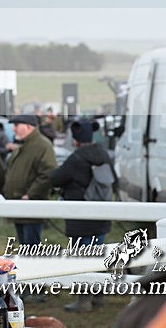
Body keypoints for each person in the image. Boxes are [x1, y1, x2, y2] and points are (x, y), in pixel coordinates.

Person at [50, 119, 112, 312]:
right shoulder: (104, 154)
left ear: (76, 138)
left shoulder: (77, 158)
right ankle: (98, 297)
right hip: (101, 213)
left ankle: (83, 301)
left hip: (80, 216)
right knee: (98, 255)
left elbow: (57, 178)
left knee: (82, 258)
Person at [2, 114, 56, 247]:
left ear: (28, 127)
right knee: (24, 246)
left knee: (31, 248)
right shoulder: (25, 145)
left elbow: (48, 173)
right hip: (19, 204)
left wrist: (30, 195)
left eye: (16, 126)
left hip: (31, 206)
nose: (13, 129)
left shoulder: (42, 145)